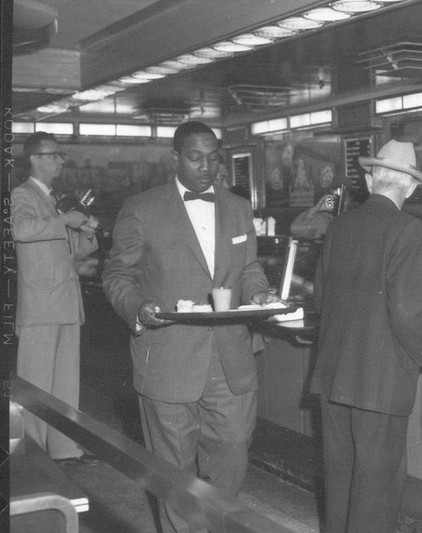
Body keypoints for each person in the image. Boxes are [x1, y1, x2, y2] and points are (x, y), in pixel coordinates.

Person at [102, 121, 277, 533]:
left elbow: (249, 268)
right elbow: (117, 276)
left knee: (232, 459)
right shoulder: (142, 208)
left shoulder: (237, 206)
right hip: (168, 360)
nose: (205, 167)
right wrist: (139, 308)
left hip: (231, 363)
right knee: (174, 475)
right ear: (175, 158)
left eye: (212, 157)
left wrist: (259, 294)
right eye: (195, 158)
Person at [310, 140, 422, 533]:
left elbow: (320, 295)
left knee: (341, 485)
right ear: (411, 187)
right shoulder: (409, 229)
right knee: (376, 493)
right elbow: (404, 310)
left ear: (369, 179)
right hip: (380, 382)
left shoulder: (340, 225)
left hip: (333, 378)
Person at [11, 132, 99, 462]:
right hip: (40, 306)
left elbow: (70, 249)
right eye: (53, 155)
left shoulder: (54, 198)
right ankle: (31, 455)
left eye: (60, 156)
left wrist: (86, 232)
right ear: (34, 158)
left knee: (65, 384)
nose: (60, 161)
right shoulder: (22, 195)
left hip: (64, 302)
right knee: (35, 386)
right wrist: (64, 219)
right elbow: (20, 230)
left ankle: (63, 448)